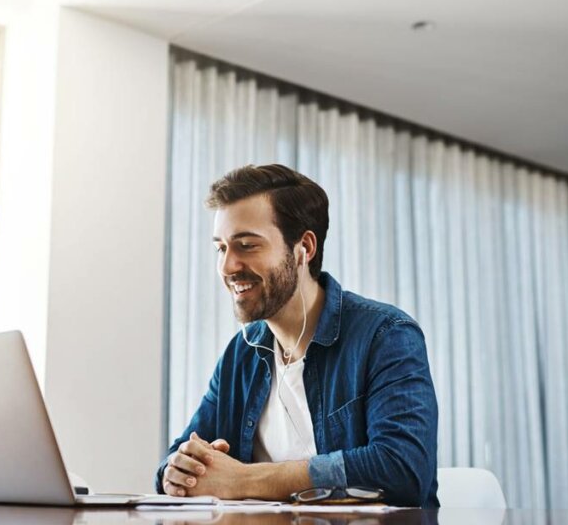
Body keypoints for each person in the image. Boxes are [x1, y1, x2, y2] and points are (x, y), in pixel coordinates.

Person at [155, 164, 439, 507]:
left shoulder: (386, 336)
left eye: (246, 245)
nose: (228, 267)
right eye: (221, 248)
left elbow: (403, 470)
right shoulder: (240, 355)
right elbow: (177, 459)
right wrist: (176, 470)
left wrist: (243, 479)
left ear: (304, 248)